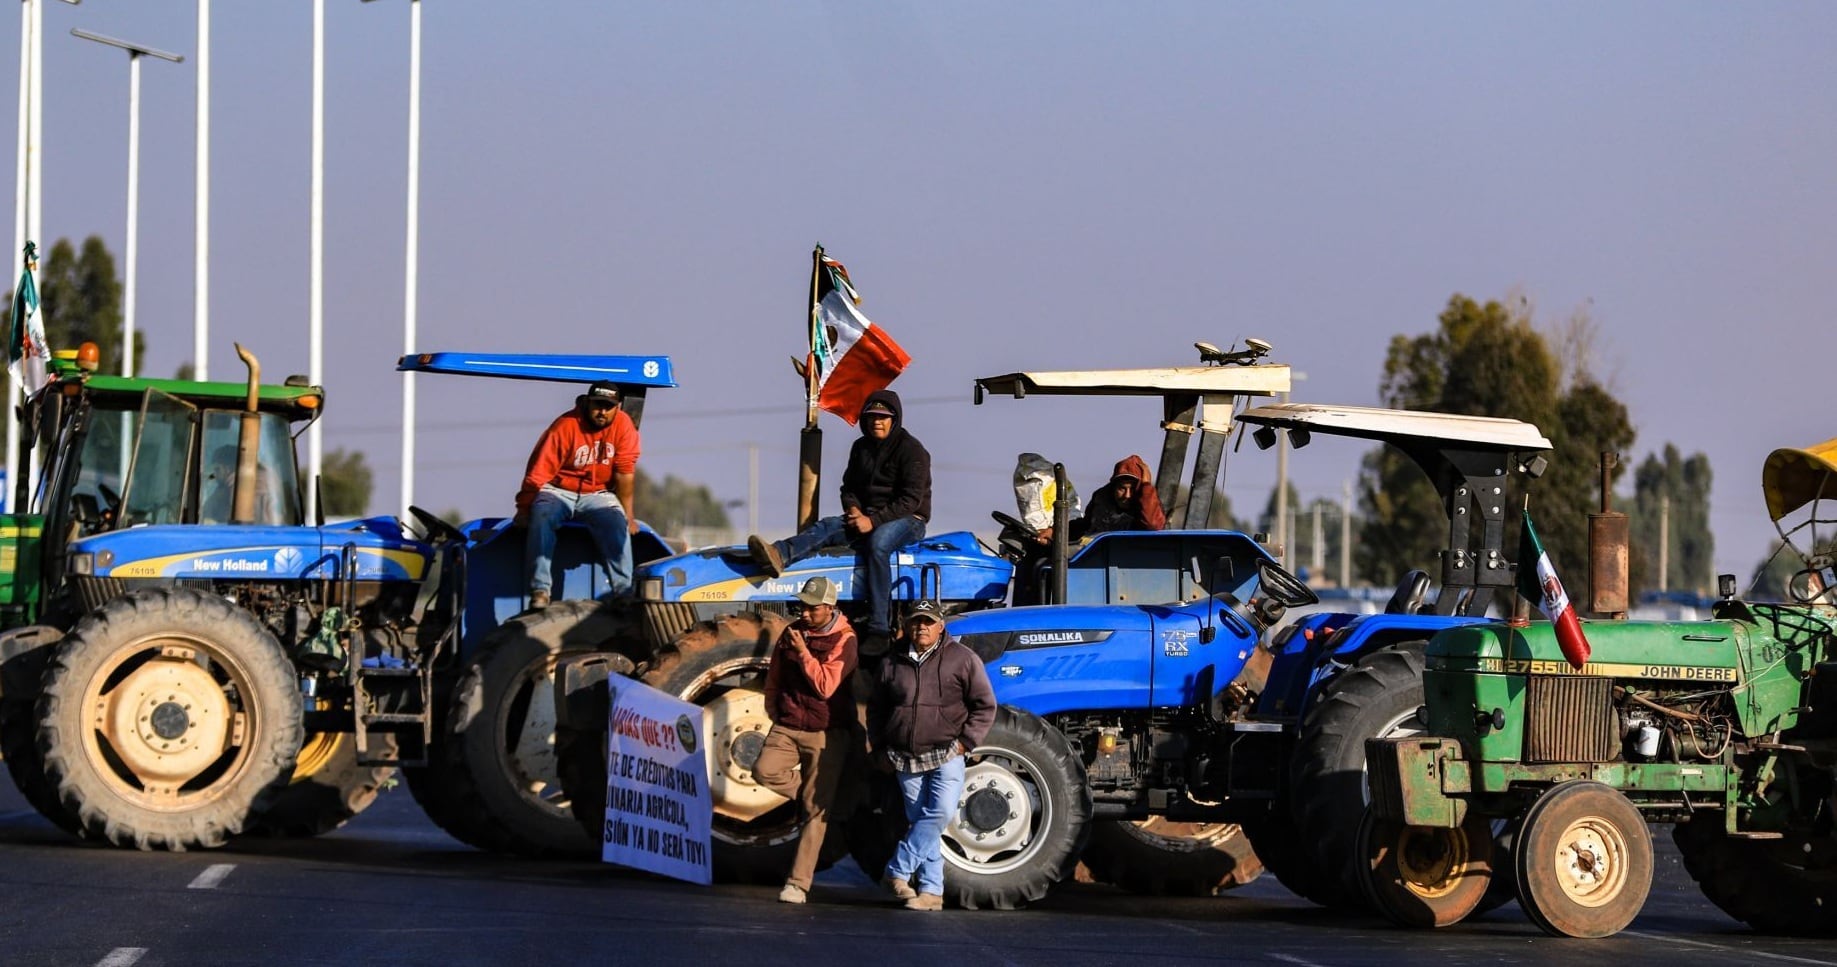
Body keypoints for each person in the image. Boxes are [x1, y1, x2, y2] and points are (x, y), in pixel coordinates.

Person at [747, 389, 930, 649]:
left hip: (907, 518)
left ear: (894, 419)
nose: (877, 421)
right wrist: (854, 510)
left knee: (878, 545)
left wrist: (873, 521)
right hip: (867, 516)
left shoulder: (912, 451)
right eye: (871, 416)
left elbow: (910, 500)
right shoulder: (861, 448)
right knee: (828, 526)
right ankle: (778, 555)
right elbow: (849, 488)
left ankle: (879, 627)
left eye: (883, 416)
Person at [867, 598, 997, 911]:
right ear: (906, 625)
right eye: (915, 621)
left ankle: (897, 871)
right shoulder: (890, 662)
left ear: (941, 625)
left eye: (927, 622)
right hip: (904, 757)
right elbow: (876, 710)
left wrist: (965, 743)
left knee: (939, 813)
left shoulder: (963, 659)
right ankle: (932, 892)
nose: (921, 627)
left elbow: (985, 705)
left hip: (947, 752)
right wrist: (879, 749)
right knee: (920, 822)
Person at [753, 576, 859, 905]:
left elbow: (826, 685)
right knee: (764, 770)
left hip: (825, 731)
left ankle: (798, 884)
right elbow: (775, 673)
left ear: (829, 607)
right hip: (788, 723)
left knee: (815, 814)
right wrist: (773, 707)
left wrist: (803, 654)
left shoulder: (846, 639)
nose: (805, 613)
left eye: (812, 608)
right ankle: (821, 799)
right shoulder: (792, 632)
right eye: (803, 606)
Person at [517, 380, 640, 609]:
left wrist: (629, 516)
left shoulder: (624, 427)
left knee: (616, 522)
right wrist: (524, 508)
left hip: (598, 492)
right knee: (542, 515)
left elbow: (625, 474)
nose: (602, 411)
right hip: (558, 490)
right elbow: (538, 472)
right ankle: (541, 590)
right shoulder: (565, 426)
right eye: (597, 405)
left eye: (608, 406)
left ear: (618, 407)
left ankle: (623, 592)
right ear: (586, 402)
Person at [1075, 454, 1167, 537]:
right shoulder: (1100, 500)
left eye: (1132, 489)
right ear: (1113, 488)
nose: (1127, 495)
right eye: (1122, 488)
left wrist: (1146, 486)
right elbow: (1084, 527)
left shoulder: (1148, 505)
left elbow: (1153, 526)